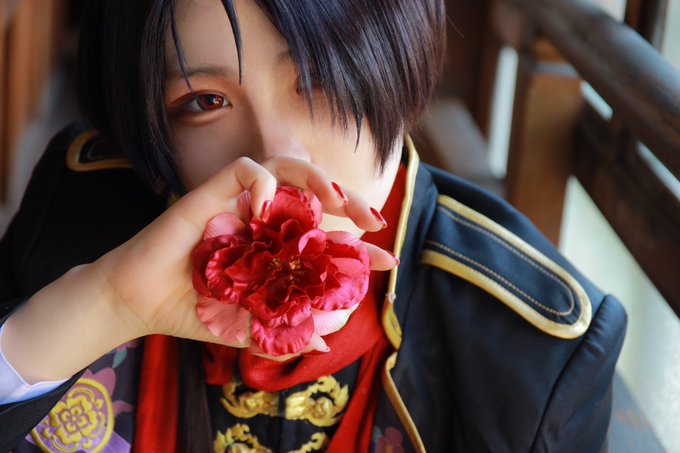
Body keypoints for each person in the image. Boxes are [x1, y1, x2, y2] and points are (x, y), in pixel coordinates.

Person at [0, 0, 627, 451]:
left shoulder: (537, 353)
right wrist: (106, 305)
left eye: (320, 76)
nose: (277, 160)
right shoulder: (77, 210)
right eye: (204, 102)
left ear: (403, 52)